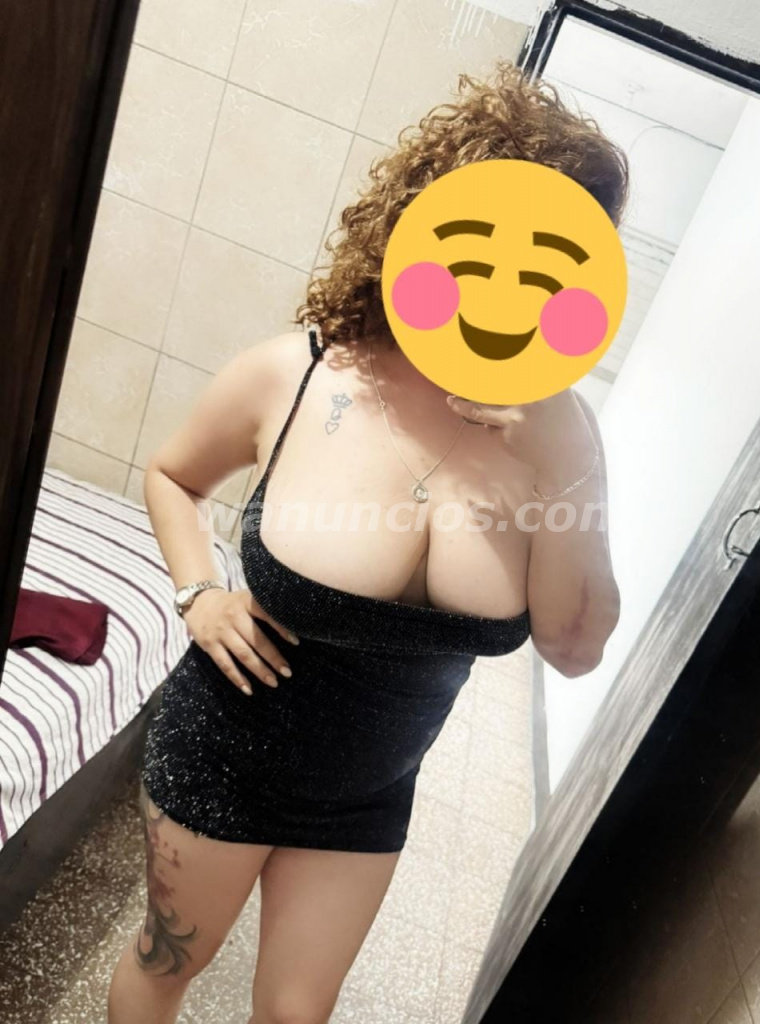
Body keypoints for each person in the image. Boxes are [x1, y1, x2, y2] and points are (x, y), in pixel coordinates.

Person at [108, 59, 627, 1024]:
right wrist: (198, 593)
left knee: (297, 1012)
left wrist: (571, 466)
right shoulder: (300, 374)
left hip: (371, 790)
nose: (509, 285)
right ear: (419, 230)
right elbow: (173, 476)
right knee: (167, 964)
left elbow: (573, 646)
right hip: (227, 752)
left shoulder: (558, 438)